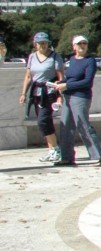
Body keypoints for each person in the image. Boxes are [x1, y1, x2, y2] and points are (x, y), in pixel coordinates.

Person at [51, 36, 101, 166]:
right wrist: (61, 83)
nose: (82, 46)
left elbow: (87, 82)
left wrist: (67, 86)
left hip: (80, 97)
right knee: (66, 126)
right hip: (68, 96)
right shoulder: (72, 60)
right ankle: (67, 157)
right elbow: (70, 77)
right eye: (79, 44)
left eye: (84, 43)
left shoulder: (90, 61)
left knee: (83, 125)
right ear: (74, 46)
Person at [21, 32, 64, 162]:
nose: (43, 45)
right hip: (36, 94)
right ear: (35, 44)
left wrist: (60, 97)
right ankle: (52, 150)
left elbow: (61, 77)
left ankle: (56, 149)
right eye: (40, 43)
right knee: (45, 123)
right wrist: (23, 93)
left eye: (45, 43)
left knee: (43, 121)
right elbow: (28, 77)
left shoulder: (55, 57)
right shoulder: (32, 57)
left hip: (50, 93)